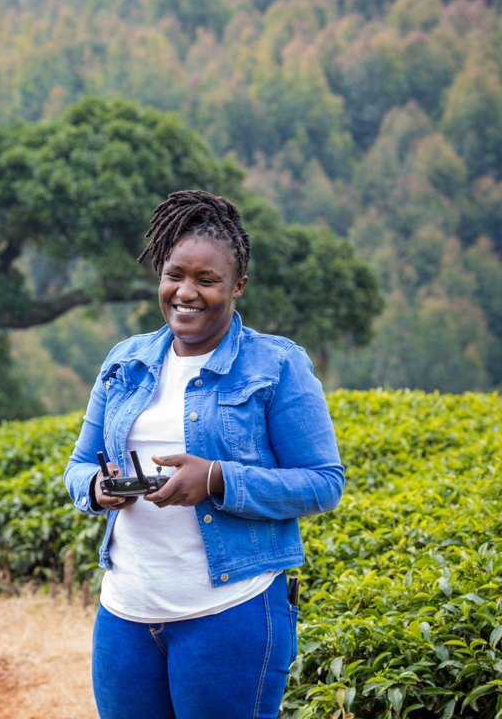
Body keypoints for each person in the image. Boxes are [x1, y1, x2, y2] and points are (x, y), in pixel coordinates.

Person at [63, 191, 343, 719]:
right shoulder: (125, 361)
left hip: (230, 612)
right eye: (174, 275)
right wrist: (99, 490)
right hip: (126, 613)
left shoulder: (276, 365)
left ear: (237, 286)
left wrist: (217, 478)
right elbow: (79, 466)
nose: (185, 293)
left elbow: (323, 482)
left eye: (207, 281)